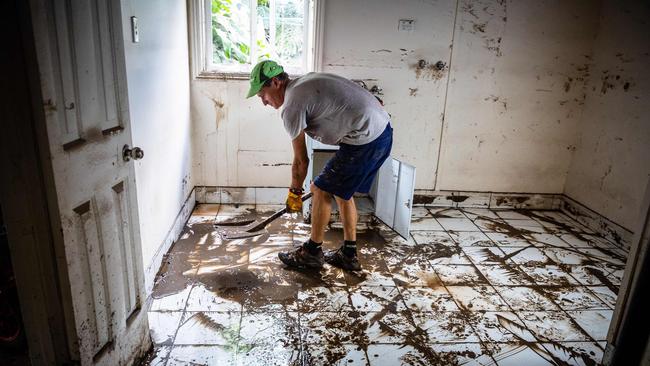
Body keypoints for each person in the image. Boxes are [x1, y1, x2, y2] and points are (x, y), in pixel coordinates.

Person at [246, 60, 393, 271]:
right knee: (342, 192)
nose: (264, 102)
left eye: (263, 94)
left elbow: (300, 162)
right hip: (382, 132)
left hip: (366, 140)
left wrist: (295, 193)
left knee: (321, 189)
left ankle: (312, 253)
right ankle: (348, 255)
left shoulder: (291, 106)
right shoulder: (303, 83)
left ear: (276, 82)